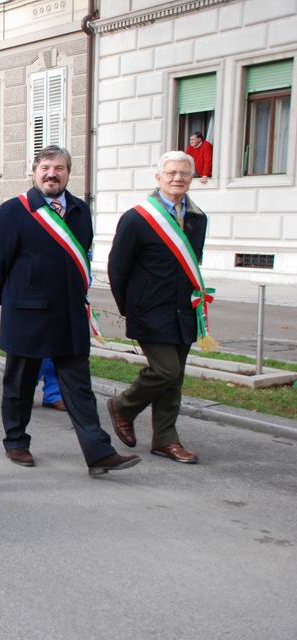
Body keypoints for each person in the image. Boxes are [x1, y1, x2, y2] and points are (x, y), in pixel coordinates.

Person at [0, 145, 140, 476]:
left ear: (68, 173)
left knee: (79, 388)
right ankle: (16, 442)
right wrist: (12, 300)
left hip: (69, 315)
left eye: (59, 168)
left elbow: (80, 256)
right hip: (27, 315)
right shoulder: (14, 210)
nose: (51, 174)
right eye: (45, 168)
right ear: (34, 172)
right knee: (19, 386)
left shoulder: (80, 211)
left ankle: (98, 453)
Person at [106, 151, 209, 465]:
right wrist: (130, 307)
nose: (178, 178)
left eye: (184, 173)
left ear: (191, 178)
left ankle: (166, 440)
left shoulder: (198, 218)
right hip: (149, 309)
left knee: (174, 380)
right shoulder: (137, 218)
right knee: (166, 370)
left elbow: (193, 263)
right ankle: (123, 406)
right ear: (159, 177)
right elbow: (118, 268)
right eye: (172, 173)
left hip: (184, 309)